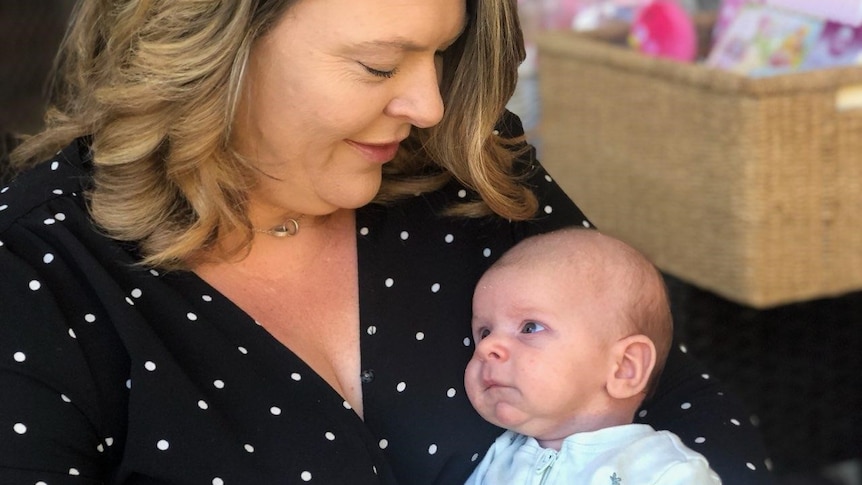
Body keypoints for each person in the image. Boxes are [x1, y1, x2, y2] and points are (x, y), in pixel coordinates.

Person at [0, 0, 771, 484]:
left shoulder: (464, 170)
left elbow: (676, 398)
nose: (430, 103)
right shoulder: (36, 267)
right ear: (212, 45)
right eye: (379, 64)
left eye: (439, 55)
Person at [464, 228, 722, 484]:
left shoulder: (663, 471)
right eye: (484, 332)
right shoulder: (498, 461)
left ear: (624, 368)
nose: (487, 348)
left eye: (530, 327)